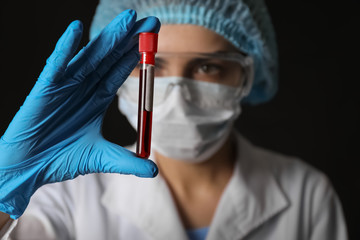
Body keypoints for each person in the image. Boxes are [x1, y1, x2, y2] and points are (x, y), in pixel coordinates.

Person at [0, 0, 348, 239]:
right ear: (118, 75)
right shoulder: (65, 198)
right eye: (155, 66)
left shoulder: (307, 194)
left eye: (208, 66)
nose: (179, 94)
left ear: (247, 75)